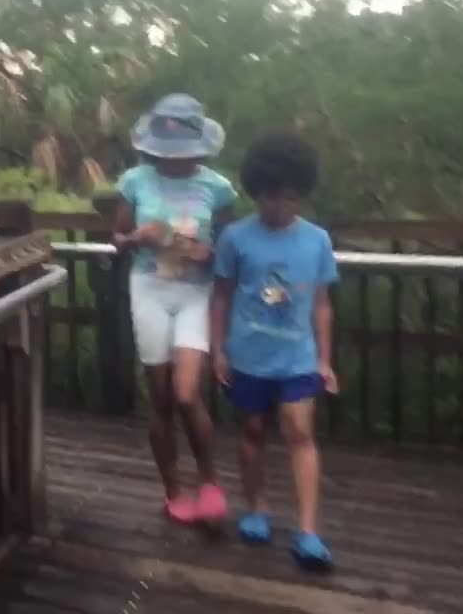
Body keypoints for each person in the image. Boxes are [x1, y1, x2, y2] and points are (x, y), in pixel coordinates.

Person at [209, 131, 338, 571]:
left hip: (298, 358)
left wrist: (324, 360)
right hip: (247, 356)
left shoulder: (317, 240)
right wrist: (218, 350)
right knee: (252, 433)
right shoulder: (235, 238)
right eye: (268, 197)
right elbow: (221, 296)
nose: (277, 206)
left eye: (286, 197)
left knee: (300, 431)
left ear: (301, 193)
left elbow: (322, 304)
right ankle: (258, 509)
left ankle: (308, 531)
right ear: (255, 192)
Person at [112, 93, 235, 525]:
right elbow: (118, 239)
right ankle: (172, 490)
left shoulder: (217, 189)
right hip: (148, 287)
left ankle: (210, 482)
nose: (176, 159)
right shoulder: (134, 182)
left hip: (195, 293)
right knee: (160, 398)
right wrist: (136, 238)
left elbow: (229, 246)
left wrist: (209, 252)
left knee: (187, 392)